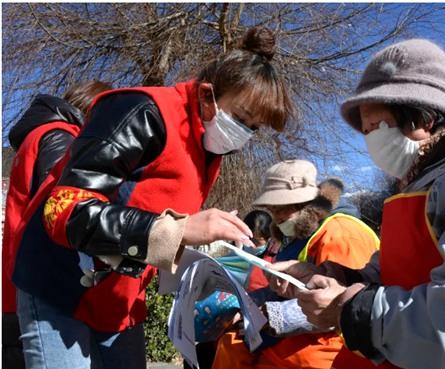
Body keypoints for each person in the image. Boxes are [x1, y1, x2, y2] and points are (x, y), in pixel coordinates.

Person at [11, 26, 293, 369]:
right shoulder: (141, 110)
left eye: (255, 127)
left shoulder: (207, 151)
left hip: (119, 296)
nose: (245, 134)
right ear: (207, 96)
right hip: (59, 281)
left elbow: (154, 219)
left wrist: (212, 255)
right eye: (242, 119)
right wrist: (182, 229)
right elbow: (64, 211)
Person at [270, 39, 445, 368]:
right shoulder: (417, 183)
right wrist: (336, 278)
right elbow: (395, 271)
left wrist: (347, 309)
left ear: (423, 117)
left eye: (376, 127)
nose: (370, 141)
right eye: (365, 130)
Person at [212, 159, 380, 369]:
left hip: (325, 350)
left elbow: (343, 302)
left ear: (303, 203)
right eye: (272, 211)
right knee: (231, 344)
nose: (277, 218)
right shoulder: (303, 233)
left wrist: (268, 315)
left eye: (281, 209)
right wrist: (243, 303)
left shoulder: (340, 233)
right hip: (294, 342)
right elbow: (281, 293)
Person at [2, 81, 112, 369]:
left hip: (18, 283)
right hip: (42, 287)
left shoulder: (41, 134)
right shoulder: (61, 138)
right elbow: (64, 208)